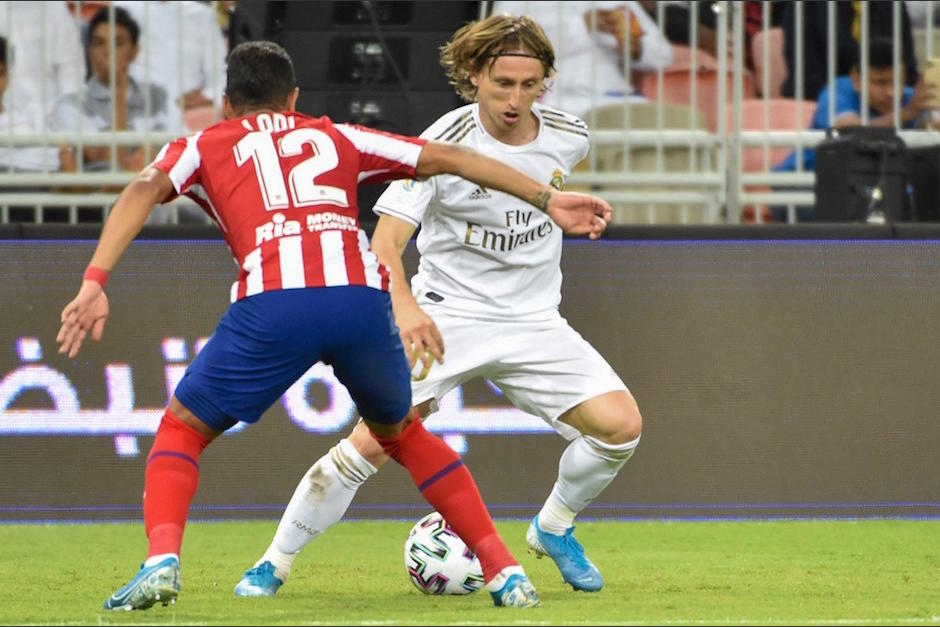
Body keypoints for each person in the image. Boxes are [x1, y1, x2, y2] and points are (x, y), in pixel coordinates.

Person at [56, 39, 612, 611]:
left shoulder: (201, 144)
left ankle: (162, 561)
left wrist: (95, 279)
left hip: (275, 301)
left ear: (227, 103)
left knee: (182, 430)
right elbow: (448, 157)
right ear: (294, 98)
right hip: (359, 298)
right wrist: (547, 198)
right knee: (403, 435)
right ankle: (505, 574)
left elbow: (144, 188)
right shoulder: (337, 134)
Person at [233, 14, 642, 598]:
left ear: (545, 83)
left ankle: (552, 528)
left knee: (619, 429)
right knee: (370, 444)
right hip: (447, 317)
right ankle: (274, 562)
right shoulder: (437, 146)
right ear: (474, 76)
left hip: (533, 321)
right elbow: (385, 244)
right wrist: (405, 310)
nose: (515, 98)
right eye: (503, 83)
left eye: (529, 85)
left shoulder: (569, 135)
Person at [773, 36, 932, 221]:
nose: (890, 92)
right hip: (803, 182)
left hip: (866, 187)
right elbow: (850, 130)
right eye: (880, 83)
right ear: (856, 79)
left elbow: (930, 126)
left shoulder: (911, 100)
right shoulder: (836, 92)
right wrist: (907, 114)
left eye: (897, 82)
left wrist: (929, 120)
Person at [493, 1, 673, 118]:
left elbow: (664, 55)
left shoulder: (617, 4)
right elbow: (500, 43)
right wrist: (583, 26)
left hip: (614, 98)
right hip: (553, 99)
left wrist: (637, 48)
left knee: (678, 124)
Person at [50, 6, 170, 175]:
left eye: (117, 43)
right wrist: (119, 91)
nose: (108, 52)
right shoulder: (70, 105)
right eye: (99, 43)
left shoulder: (159, 96)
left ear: (134, 52)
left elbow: (179, 149)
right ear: (89, 51)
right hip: (99, 195)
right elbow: (106, 161)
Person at [114, 1, 228, 131]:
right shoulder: (122, 9)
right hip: (135, 112)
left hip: (191, 119)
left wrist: (207, 98)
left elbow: (219, 76)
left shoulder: (202, 14)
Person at [780, 0, 918, 101]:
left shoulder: (892, 5)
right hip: (819, 98)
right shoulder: (805, 6)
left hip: (887, 101)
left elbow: (908, 68)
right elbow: (806, 75)